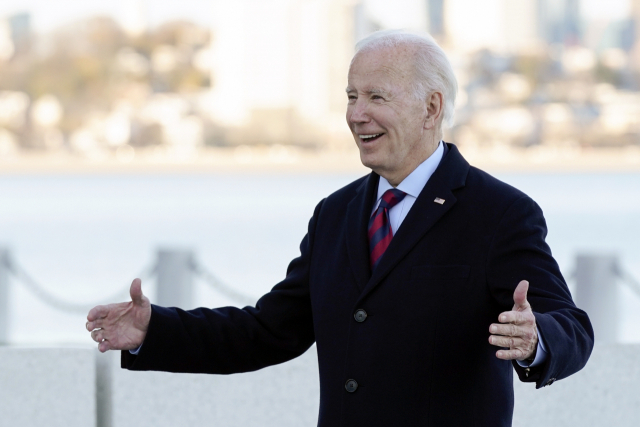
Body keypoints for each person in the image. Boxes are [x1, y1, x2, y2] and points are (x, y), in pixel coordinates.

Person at [86, 30, 593, 426]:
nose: (355, 114)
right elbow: (267, 331)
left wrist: (535, 340)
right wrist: (152, 330)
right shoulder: (336, 212)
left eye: (376, 97)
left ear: (431, 108)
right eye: (351, 96)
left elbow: (571, 327)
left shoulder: (499, 213)